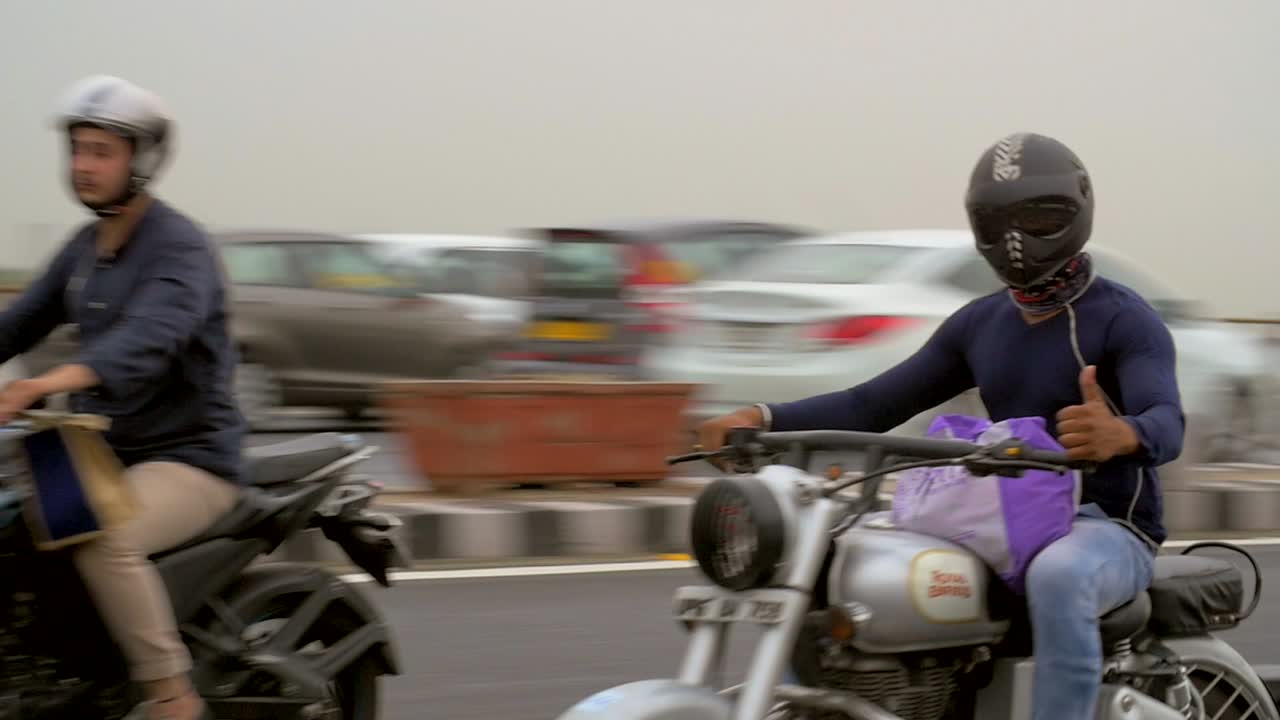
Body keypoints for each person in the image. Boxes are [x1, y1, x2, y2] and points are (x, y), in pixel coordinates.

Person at [697, 132, 1184, 720]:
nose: (1015, 238)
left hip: (1106, 526)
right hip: (1004, 517)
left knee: (1058, 576)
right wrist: (763, 420)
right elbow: (871, 404)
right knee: (845, 558)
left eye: (1037, 215)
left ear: (1075, 212)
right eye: (998, 220)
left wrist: (1122, 435)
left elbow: (1166, 421)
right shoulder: (979, 324)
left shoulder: (1125, 320)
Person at [0, 75, 247, 720]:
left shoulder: (180, 247)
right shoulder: (85, 248)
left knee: (97, 535)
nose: (84, 165)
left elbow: (147, 339)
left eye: (102, 151)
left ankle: (171, 694)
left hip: (187, 456)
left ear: (141, 161)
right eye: (78, 148)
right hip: (101, 448)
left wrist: (44, 384)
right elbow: (18, 323)